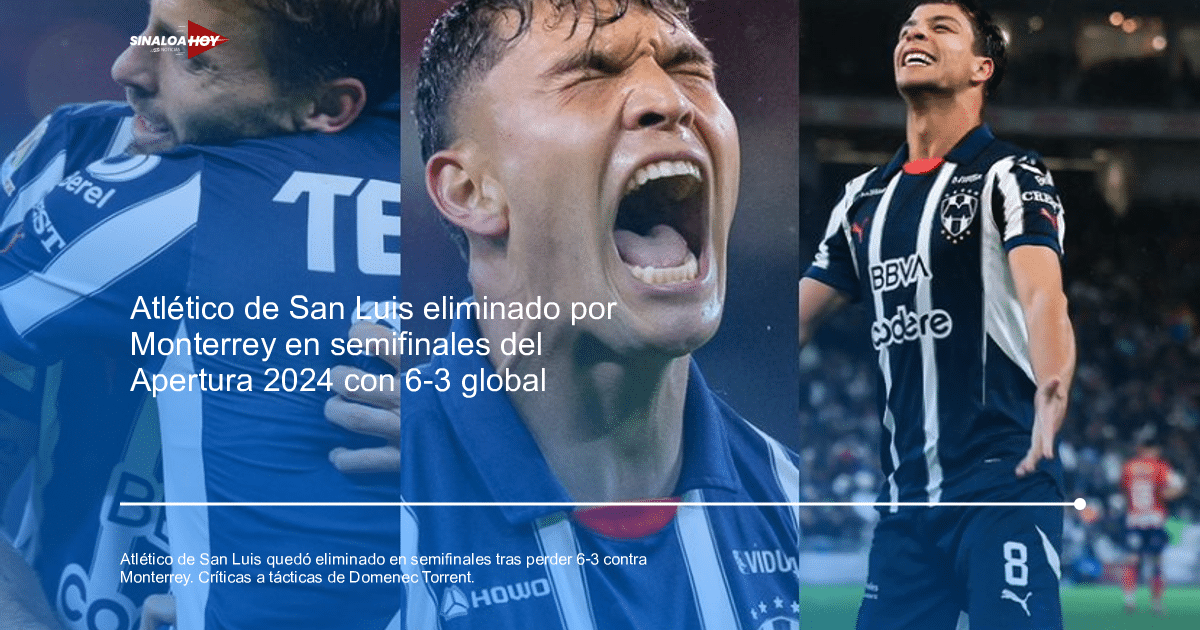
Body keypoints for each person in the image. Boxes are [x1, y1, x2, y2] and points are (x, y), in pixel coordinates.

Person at [0, 0, 401, 628]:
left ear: (326, 107)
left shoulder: (462, 205)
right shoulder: (76, 153)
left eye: (192, 54)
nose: (125, 66)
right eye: (145, 29)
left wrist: (489, 429)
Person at [398, 1, 799, 628]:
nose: (669, 100)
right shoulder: (349, 518)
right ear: (470, 192)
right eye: (591, 74)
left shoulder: (790, 497)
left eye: (690, 69)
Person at [799, 1, 1075, 628]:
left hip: (1004, 486)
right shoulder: (862, 199)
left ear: (983, 67)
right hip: (907, 507)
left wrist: (1052, 382)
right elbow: (795, 318)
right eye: (906, 30)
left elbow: (1043, 294)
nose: (914, 34)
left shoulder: (1008, 173)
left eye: (938, 27)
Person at [1119, 436, 1186, 615]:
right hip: (1154, 520)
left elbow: (1124, 490)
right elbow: (1178, 487)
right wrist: (1166, 495)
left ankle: (1130, 600)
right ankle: (1156, 603)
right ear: (1152, 450)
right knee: (1156, 561)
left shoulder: (1128, 467)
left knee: (1132, 559)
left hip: (1134, 519)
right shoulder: (1161, 467)